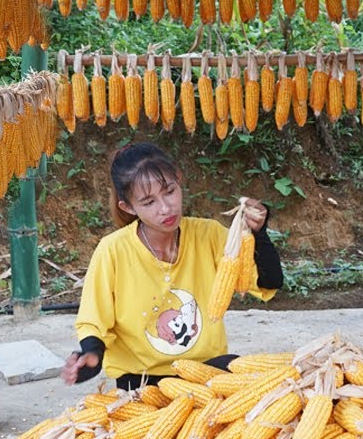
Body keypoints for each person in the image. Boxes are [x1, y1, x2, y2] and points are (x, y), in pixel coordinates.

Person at [61, 142, 284, 390]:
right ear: (128, 207)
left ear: (179, 179)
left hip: (205, 372)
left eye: (169, 191)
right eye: (149, 202)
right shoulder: (113, 250)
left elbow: (269, 281)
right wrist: (91, 356)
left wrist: (259, 233)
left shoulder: (209, 235)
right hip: (143, 381)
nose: (165, 208)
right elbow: (93, 320)